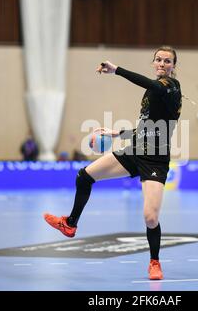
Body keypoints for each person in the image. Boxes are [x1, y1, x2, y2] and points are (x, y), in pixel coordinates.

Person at [44, 46, 182, 280]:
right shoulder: (152, 91)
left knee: (150, 218)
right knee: (85, 175)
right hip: (135, 151)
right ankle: (70, 223)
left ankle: (154, 262)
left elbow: (153, 86)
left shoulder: (171, 88)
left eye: (167, 61)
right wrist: (118, 133)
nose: (162, 64)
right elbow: (146, 127)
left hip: (155, 161)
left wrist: (117, 70)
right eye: (158, 59)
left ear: (173, 66)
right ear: (153, 62)